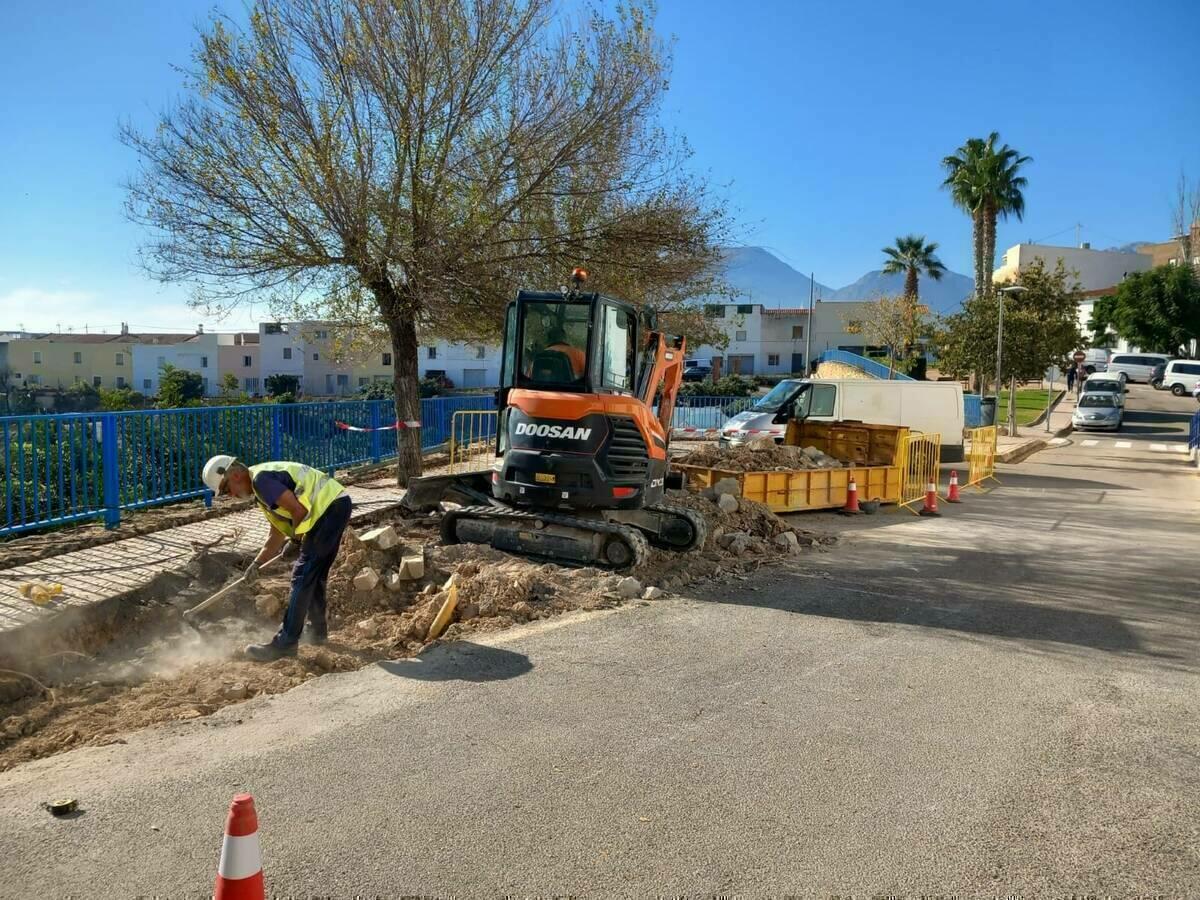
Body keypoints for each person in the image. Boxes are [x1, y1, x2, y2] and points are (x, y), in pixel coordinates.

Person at [202, 455, 352, 661]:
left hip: (329, 510)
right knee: (314, 575)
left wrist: (297, 541)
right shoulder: (262, 488)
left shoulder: (262, 481)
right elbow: (276, 535)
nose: (231, 496)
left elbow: (299, 510)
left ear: (236, 475)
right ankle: (317, 632)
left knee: (302, 575)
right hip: (336, 505)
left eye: (227, 489)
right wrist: (256, 564)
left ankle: (286, 643)